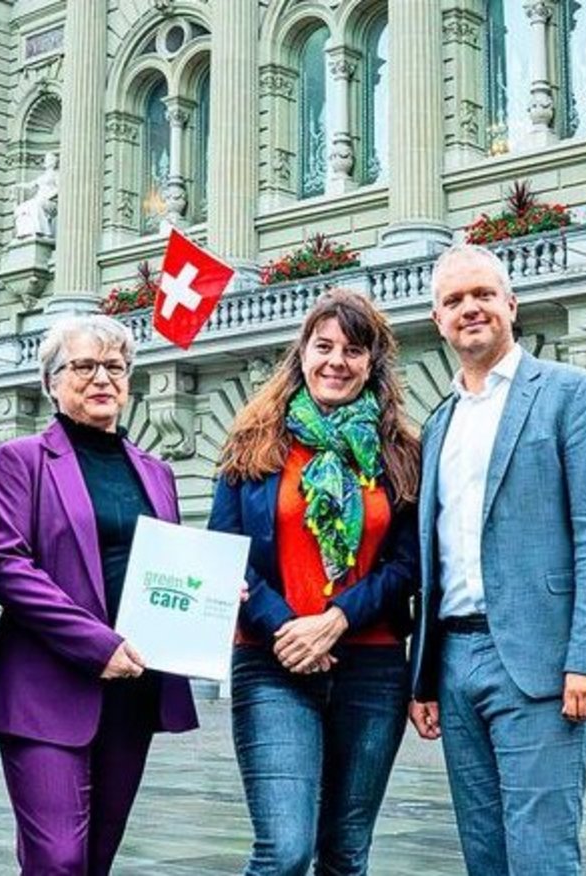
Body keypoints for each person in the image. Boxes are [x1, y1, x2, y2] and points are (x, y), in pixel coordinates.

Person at [408, 244, 586, 875]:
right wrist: (423, 677)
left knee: (540, 853)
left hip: (542, 662)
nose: (469, 309)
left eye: (482, 294)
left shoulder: (573, 394)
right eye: (454, 300)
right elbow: (434, 555)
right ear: (437, 319)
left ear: (511, 302)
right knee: (484, 855)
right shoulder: (438, 424)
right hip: (453, 663)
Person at [0, 314, 197, 876]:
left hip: (134, 689)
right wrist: (98, 645)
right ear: (51, 381)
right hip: (44, 688)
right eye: (84, 366)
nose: (102, 378)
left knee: (97, 858)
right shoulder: (19, 459)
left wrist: (210, 591)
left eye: (115, 367)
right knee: (58, 858)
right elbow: (5, 564)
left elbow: (164, 568)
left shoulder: (157, 471)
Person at [209, 288, 421, 876]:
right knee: (283, 851)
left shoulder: (400, 452)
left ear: (372, 363)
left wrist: (334, 621)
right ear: (301, 353)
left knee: (346, 854)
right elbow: (226, 555)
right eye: (323, 346)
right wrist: (287, 629)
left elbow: (407, 564)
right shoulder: (252, 443)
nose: (336, 361)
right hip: (270, 663)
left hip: (372, 669)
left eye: (354, 350)